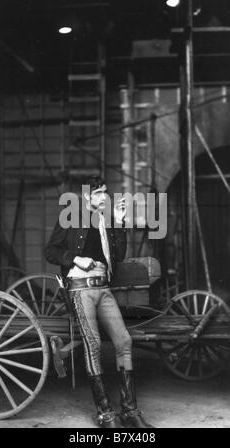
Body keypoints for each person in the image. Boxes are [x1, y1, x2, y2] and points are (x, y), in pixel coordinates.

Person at [44, 175, 151, 428]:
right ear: (85, 196)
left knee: (124, 341)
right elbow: (51, 251)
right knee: (93, 345)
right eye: (99, 193)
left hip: (103, 288)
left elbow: (119, 256)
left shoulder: (107, 220)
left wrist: (121, 222)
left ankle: (130, 411)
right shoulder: (69, 218)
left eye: (105, 192)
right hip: (80, 290)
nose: (104, 197)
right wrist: (75, 259)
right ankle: (105, 414)